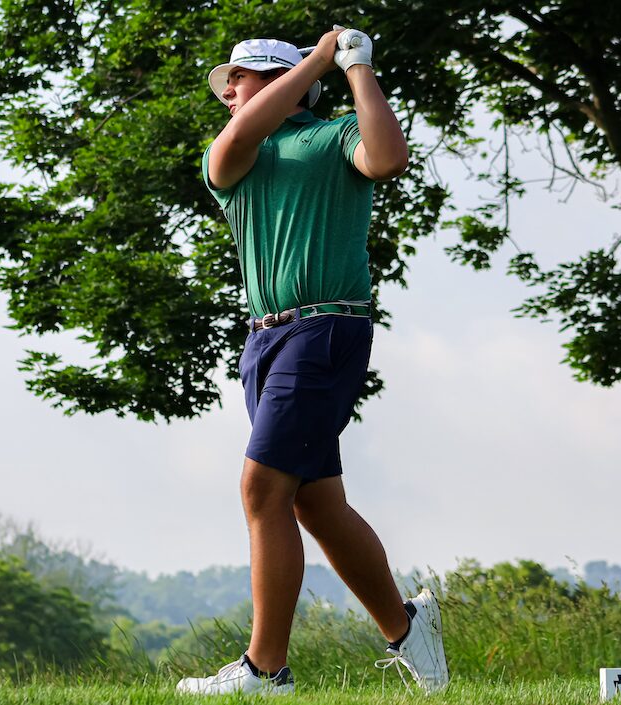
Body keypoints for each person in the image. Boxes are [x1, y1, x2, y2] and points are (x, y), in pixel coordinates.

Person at [177, 27, 448, 696]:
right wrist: (317, 61)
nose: (228, 91)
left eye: (239, 77)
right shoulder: (232, 156)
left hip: (326, 327)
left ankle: (267, 668)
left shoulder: (331, 136)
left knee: (262, 489)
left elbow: (386, 158)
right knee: (317, 505)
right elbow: (235, 143)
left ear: (278, 80)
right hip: (264, 342)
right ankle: (407, 625)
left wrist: (353, 67)